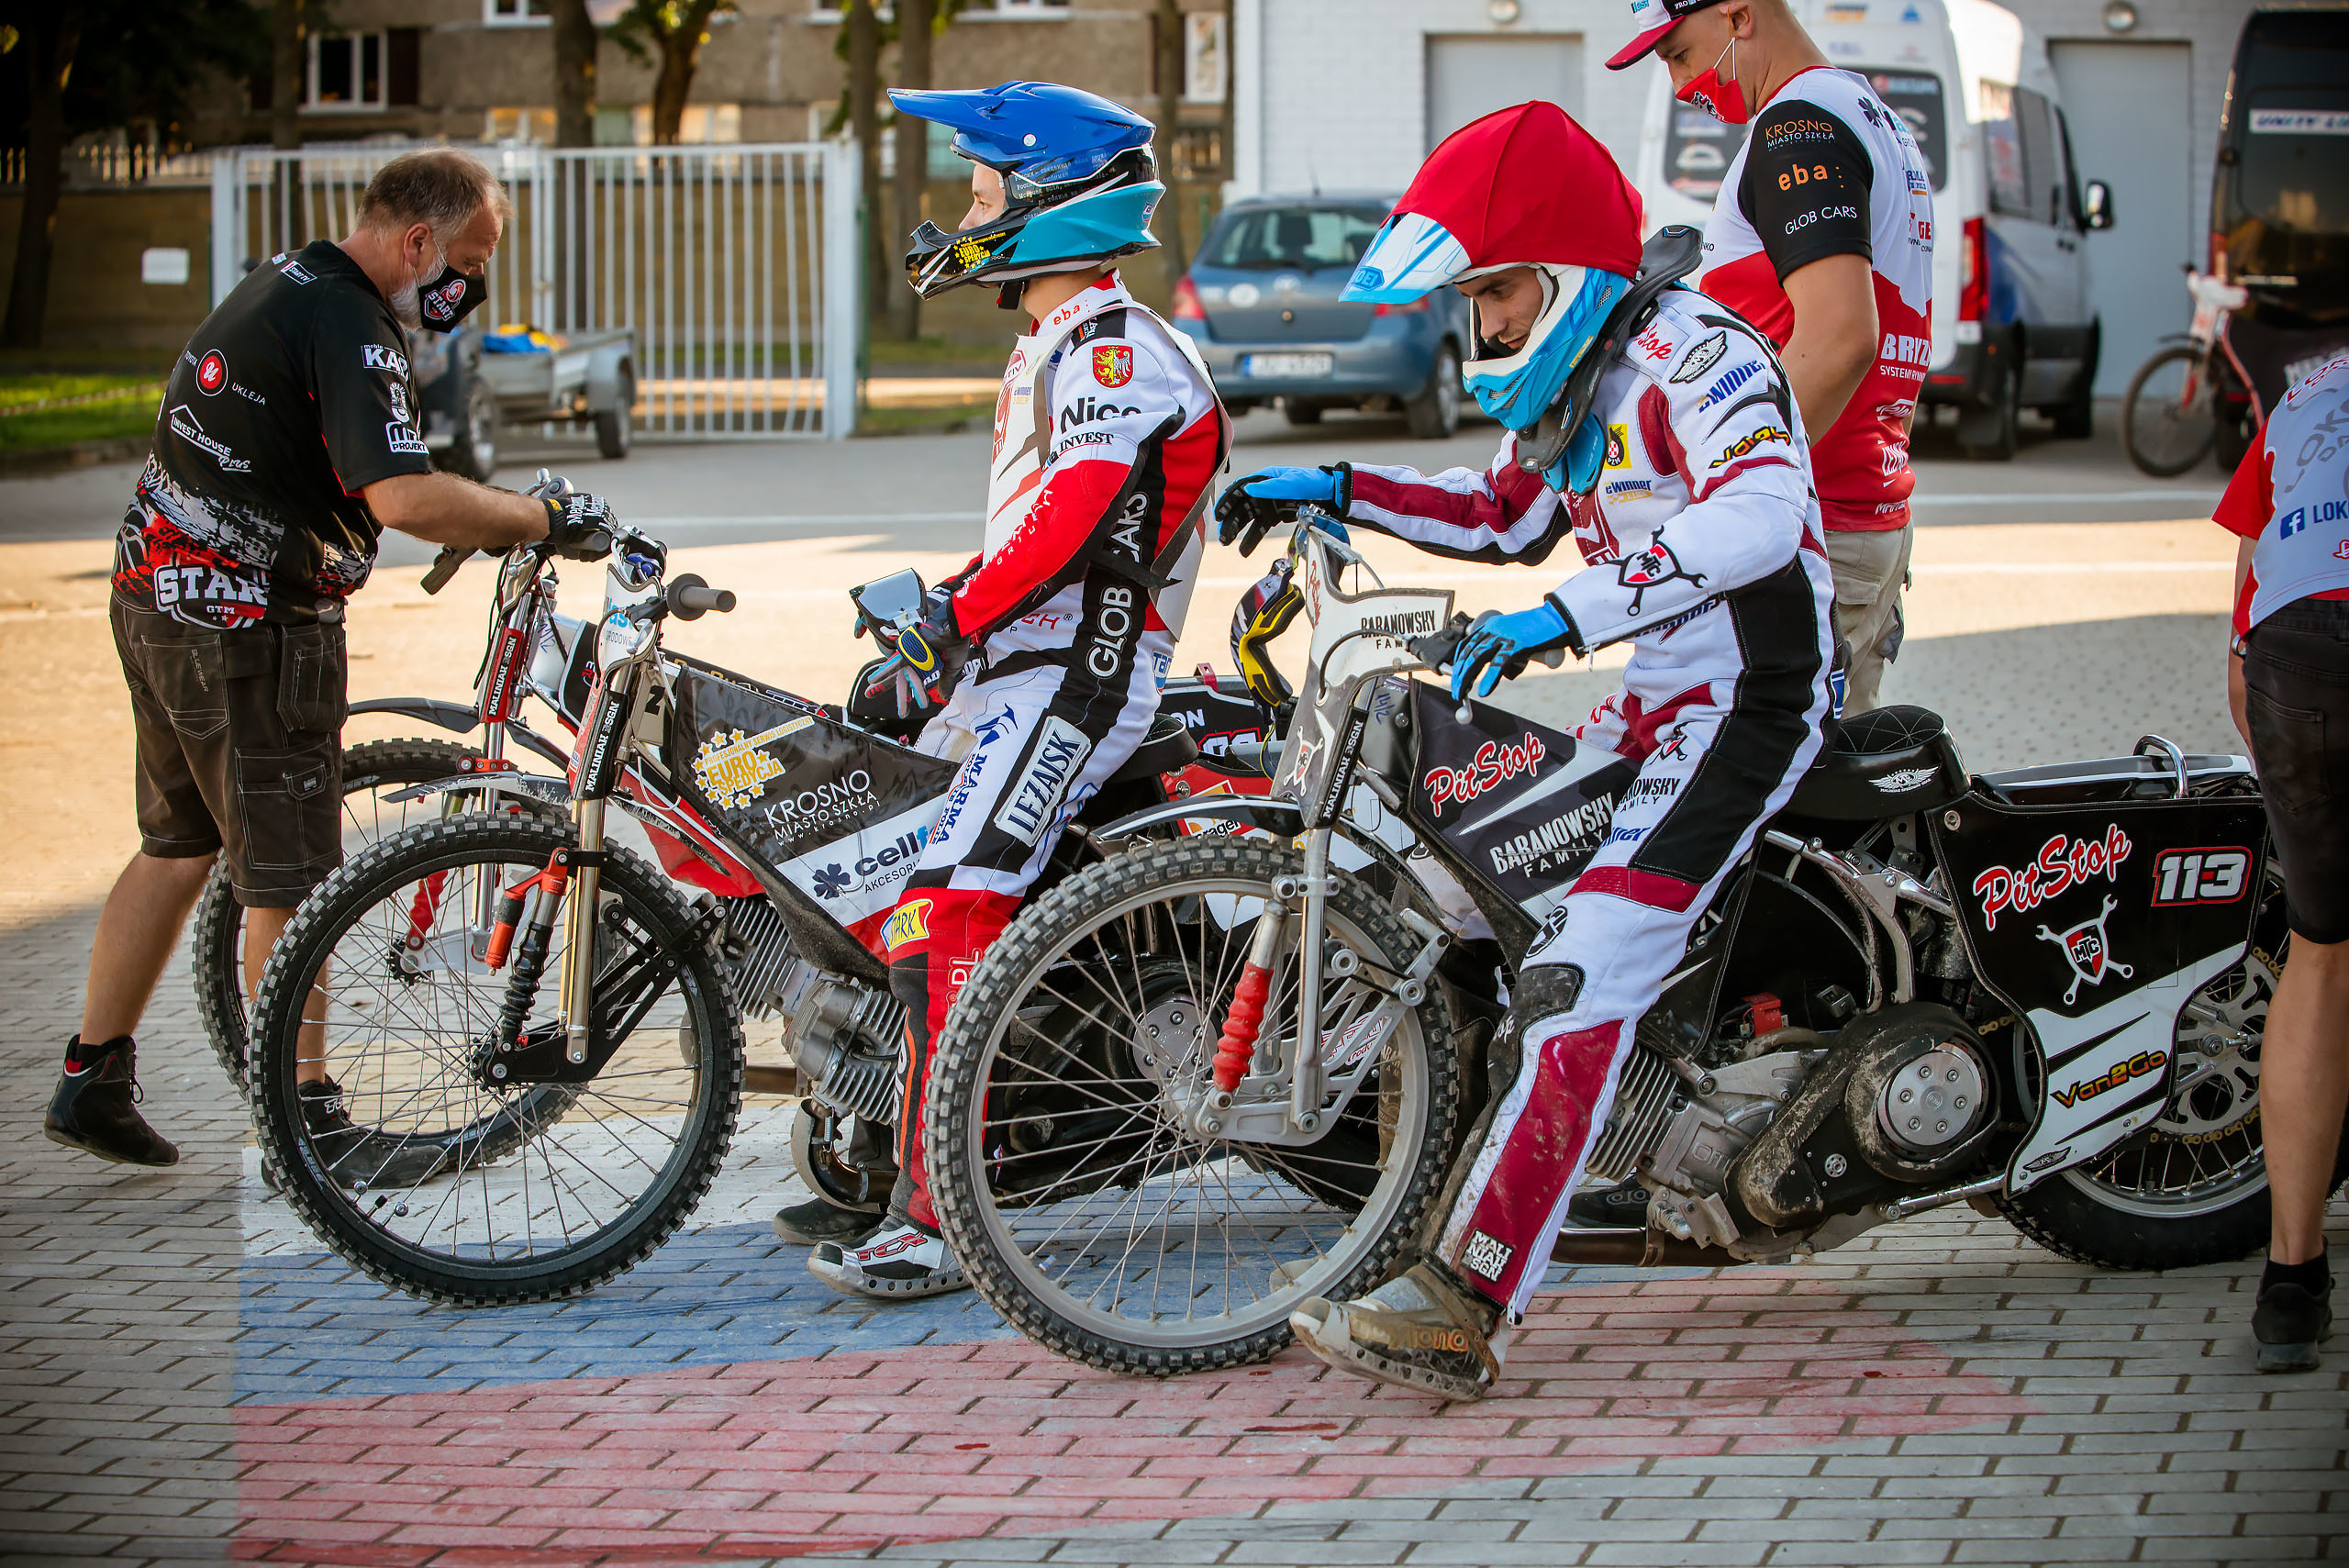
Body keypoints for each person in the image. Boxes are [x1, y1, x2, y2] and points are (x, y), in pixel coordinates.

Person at [1211, 100, 1834, 1400]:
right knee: (1467, 890)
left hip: (1752, 698)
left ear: (1566, 276)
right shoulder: (1581, 377)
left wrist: (1572, 613)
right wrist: (1330, 482)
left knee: (1588, 961)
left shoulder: (1693, 355)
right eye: (1480, 301)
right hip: (1659, 699)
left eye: (1498, 295)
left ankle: (1468, 1297)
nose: (1485, 326)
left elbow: (1768, 513)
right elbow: (1500, 517)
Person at [43, 149, 616, 1170]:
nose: (470, 287)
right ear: (415, 241)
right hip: (245, 628)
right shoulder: (353, 325)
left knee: (177, 842)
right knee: (291, 877)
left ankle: (94, 1074)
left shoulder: (287, 275)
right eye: (470, 261)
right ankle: (305, 1120)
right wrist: (541, 515)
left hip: (156, 595)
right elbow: (403, 496)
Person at [790, 83, 1230, 1298]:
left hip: (1078, 682)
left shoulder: (1112, 346)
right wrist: (935, 632)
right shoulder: (1059, 341)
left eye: (985, 193)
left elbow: (1076, 520)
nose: (965, 215)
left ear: (1052, 201)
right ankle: (902, 1149)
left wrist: (954, 621)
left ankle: (938, 1218)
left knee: (958, 903)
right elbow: (1030, 538)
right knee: (874, 869)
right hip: (1019, 675)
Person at [1612, 0, 1932, 714]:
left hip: (1806, 526)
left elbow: (1843, 338)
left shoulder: (1797, 128)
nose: (1681, 86)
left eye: (1678, 55)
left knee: (1757, 805)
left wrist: (1733, 497)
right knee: (1828, 803)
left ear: (1737, 16)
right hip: (1857, 509)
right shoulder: (1869, 115)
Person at [2215, 353, 2349, 1373]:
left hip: (2291, 650)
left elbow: (2246, 584)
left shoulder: (2308, 385)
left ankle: (2290, 1281)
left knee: (2321, 946)